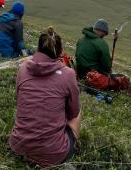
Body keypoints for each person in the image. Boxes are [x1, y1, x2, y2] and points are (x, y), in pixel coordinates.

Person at [9, 27, 82, 168]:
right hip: (54, 154)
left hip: (18, 146)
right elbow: (73, 112)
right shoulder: (69, 74)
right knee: (77, 115)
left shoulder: (23, 69)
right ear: (60, 52)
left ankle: (28, 146)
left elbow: (18, 101)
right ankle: (60, 147)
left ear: (37, 48)